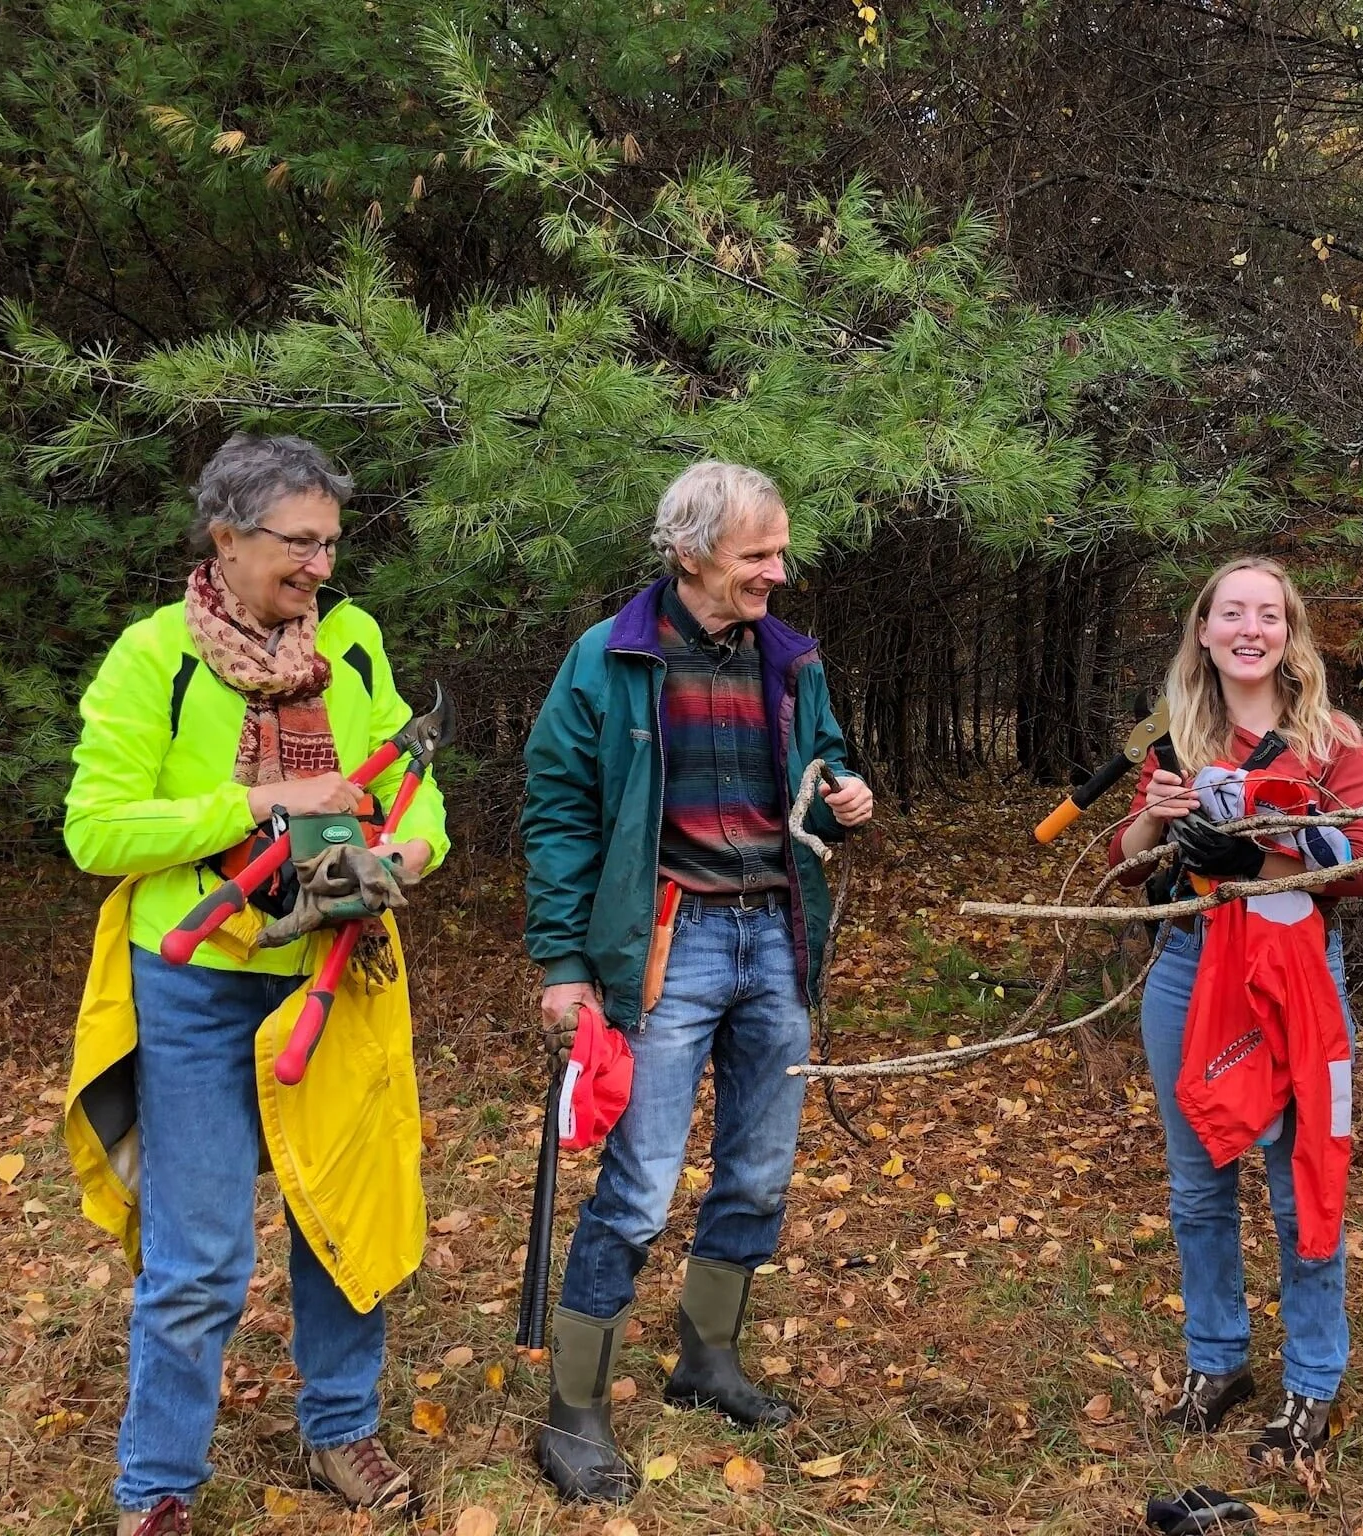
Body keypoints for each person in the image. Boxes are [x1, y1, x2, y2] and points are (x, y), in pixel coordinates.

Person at [62, 433, 450, 1535]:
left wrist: (411, 851)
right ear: (225, 537)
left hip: (337, 969)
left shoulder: (354, 641)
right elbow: (95, 829)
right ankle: (158, 1488)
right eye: (299, 543)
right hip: (192, 984)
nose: (322, 566)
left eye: (331, 543)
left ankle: (339, 1429)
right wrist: (257, 807)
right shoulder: (153, 657)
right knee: (201, 1250)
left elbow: (410, 785)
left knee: (344, 1209)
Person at [521, 459, 873, 1503]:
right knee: (635, 1186)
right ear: (690, 552)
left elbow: (822, 754)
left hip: (776, 938)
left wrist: (842, 789)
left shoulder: (790, 658)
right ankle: (574, 1414)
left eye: (780, 547)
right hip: (668, 946)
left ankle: (705, 1361)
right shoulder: (609, 659)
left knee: (758, 1173)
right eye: (757, 552)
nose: (778, 570)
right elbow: (556, 812)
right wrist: (565, 964)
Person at [1108, 556, 1363, 1465]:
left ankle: (1313, 1383)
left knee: (1300, 1174)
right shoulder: (1178, 735)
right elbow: (1132, 868)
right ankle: (1216, 1362)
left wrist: (1256, 857)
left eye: (1268, 614)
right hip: (1192, 970)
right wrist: (1154, 822)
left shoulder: (1331, 738)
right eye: (1233, 613)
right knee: (1198, 1185)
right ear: (1204, 631)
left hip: (1297, 972)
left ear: (1290, 631)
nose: (1250, 629)